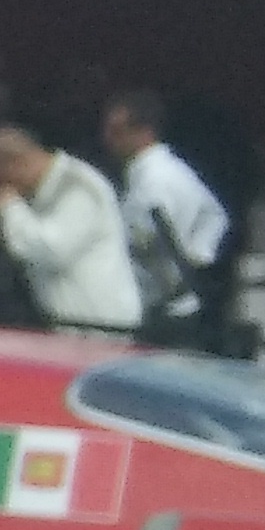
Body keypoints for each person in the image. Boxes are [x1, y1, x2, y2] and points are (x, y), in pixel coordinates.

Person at [0, 126, 141, 339]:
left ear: (15, 164)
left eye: (3, 180)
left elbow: (50, 250)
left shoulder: (78, 187)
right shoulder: (43, 192)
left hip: (100, 325)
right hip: (70, 325)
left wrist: (11, 207)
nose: (2, 189)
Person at [102, 89, 231, 348]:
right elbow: (216, 216)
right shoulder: (175, 171)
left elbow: (136, 243)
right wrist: (199, 254)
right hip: (180, 303)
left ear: (145, 131)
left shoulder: (153, 182)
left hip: (163, 312)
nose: (108, 139)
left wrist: (192, 259)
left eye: (116, 131)